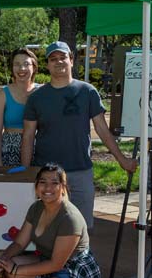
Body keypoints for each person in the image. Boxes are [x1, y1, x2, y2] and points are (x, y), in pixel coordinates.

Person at [21, 41, 137, 229]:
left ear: (72, 60)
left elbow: (102, 130)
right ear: (47, 64)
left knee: (81, 230)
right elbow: (27, 136)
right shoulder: (36, 97)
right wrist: (26, 172)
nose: (59, 62)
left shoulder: (87, 92)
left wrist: (122, 160)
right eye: (53, 59)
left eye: (62, 57)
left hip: (80, 171)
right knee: (47, 230)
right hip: (47, 175)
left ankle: (79, 260)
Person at [0, 164, 103, 278]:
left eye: (54, 183)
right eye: (43, 182)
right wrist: (3, 259)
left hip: (73, 272)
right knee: (10, 267)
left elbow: (57, 264)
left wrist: (16, 269)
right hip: (48, 262)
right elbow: (20, 243)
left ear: (63, 187)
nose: (48, 188)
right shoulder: (36, 208)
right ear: (36, 187)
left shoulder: (70, 218)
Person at [0, 48, 40, 167]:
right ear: (12, 68)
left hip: (38, 151)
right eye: (17, 64)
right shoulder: (2, 95)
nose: (21, 68)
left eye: (26, 64)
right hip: (9, 152)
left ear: (34, 67)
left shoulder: (42, 92)